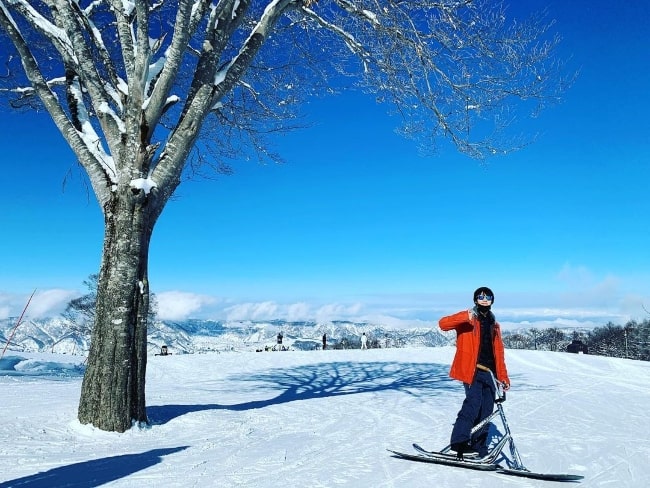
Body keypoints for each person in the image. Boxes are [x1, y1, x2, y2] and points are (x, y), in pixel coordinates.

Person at [438, 286, 510, 459]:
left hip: (490, 374)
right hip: (472, 370)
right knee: (473, 404)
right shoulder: (469, 318)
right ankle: (459, 442)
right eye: (481, 296)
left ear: (492, 300)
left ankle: (479, 447)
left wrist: (503, 377)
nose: (485, 299)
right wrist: (465, 316)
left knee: (486, 410)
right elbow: (443, 324)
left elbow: (498, 354)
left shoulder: (494, 324)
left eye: (488, 296)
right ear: (475, 299)